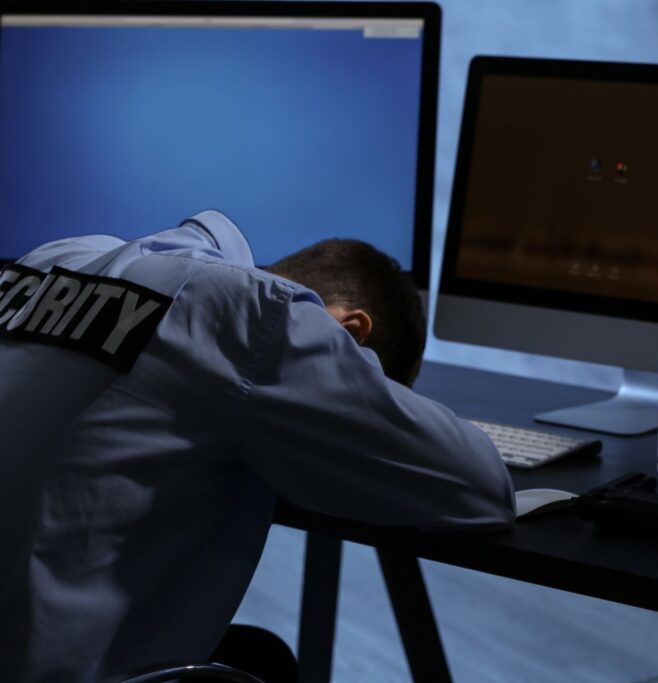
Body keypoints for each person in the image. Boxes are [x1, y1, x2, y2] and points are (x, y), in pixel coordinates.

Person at [0, 210, 515, 682]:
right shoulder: (262, 315)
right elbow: (481, 487)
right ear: (349, 335)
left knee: (260, 655)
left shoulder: (53, 259)